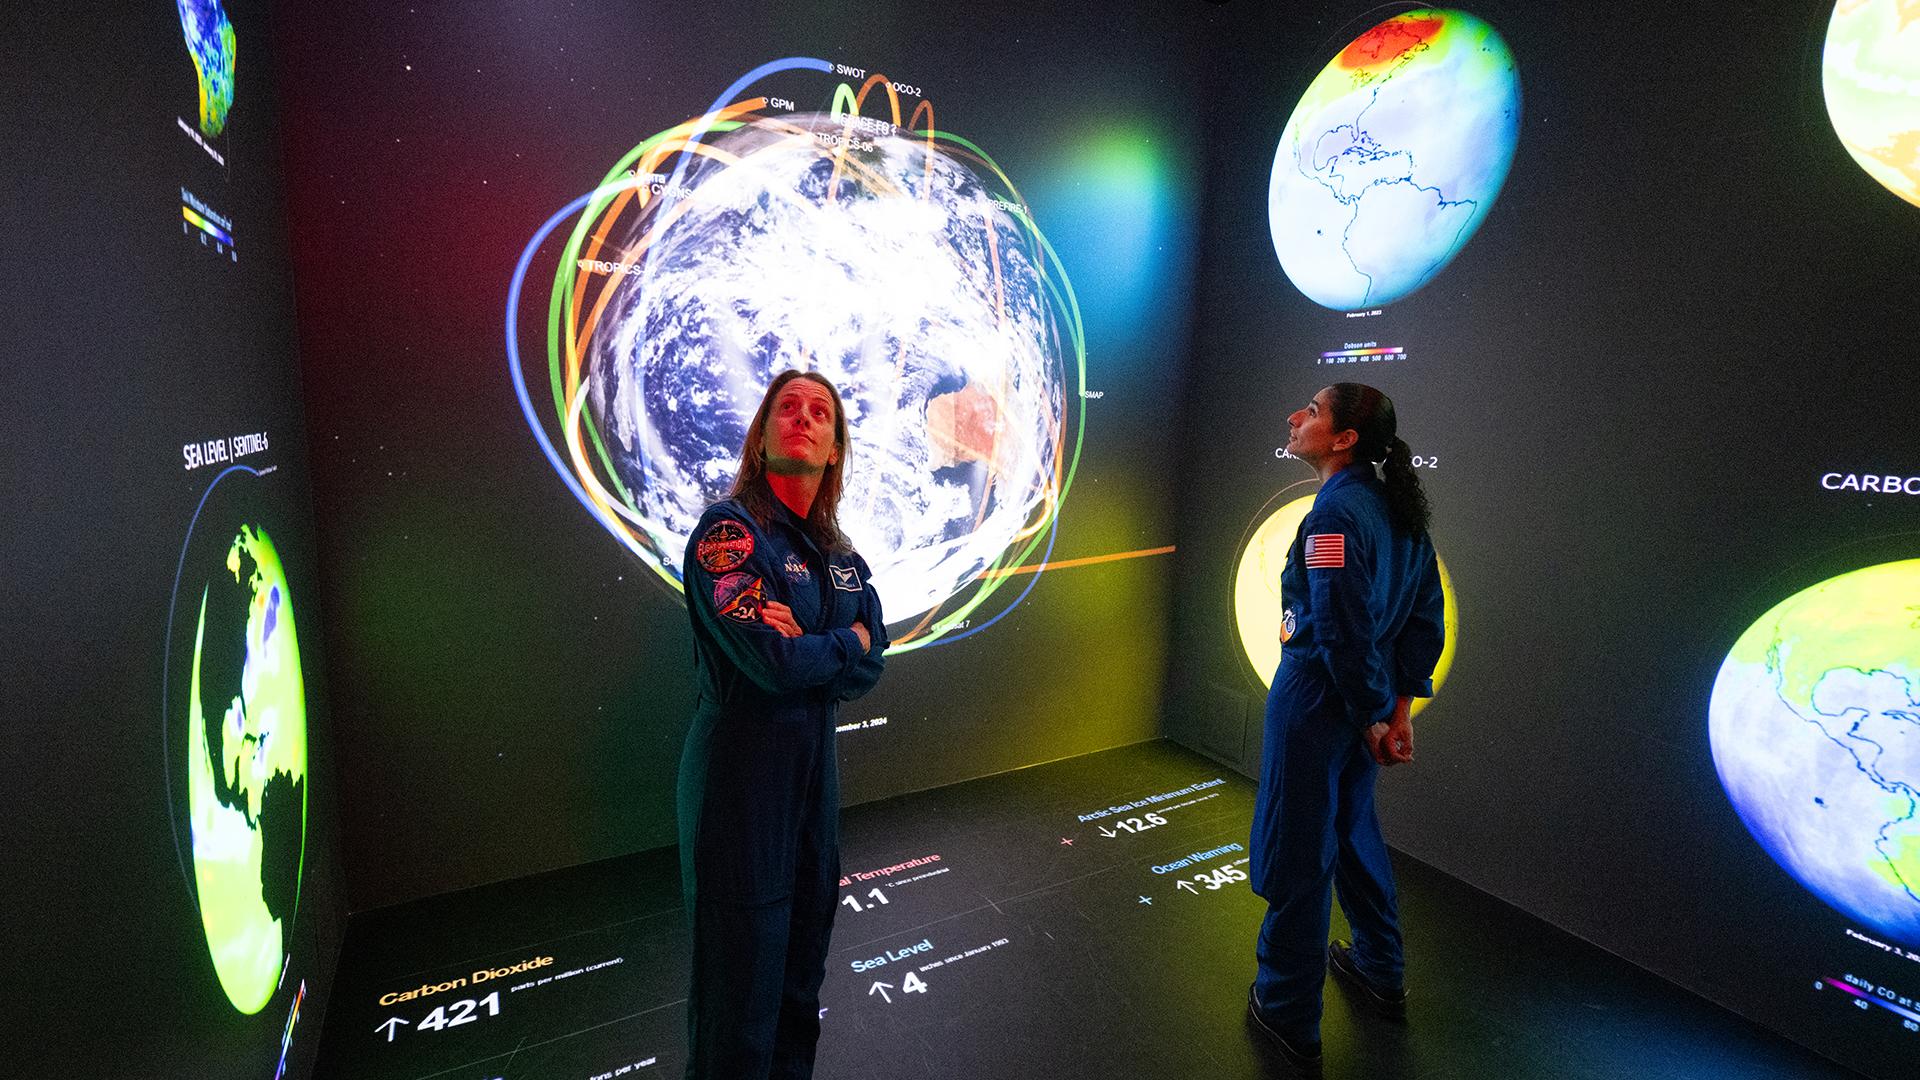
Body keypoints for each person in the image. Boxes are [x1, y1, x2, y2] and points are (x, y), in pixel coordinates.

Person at [677, 370, 887, 1079]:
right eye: (787, 408)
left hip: (811, 781)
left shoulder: (840, 555)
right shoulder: (729, 535)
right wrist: (841, 643)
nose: (803, 417)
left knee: (800, 977)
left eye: (820, 412)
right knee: (738, 992)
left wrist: (824, 645)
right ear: (763, 439)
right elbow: (770, 662)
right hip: (741, 780)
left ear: (834, 449)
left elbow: (875, 655)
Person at [1245, 383, 1446, 1073]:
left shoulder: (1333, 517)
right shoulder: (1399, 511)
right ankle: (1380, 971)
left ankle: (1287, 1011)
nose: (1294, 416)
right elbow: (1423, 620)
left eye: (1311, 410)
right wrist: (1395, 713)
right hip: (1365, 705)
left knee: (1297, 851)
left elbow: (1337, 625)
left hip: (1316, 703)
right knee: (1355, 834)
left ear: (1344, 439)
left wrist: (1366, 713)